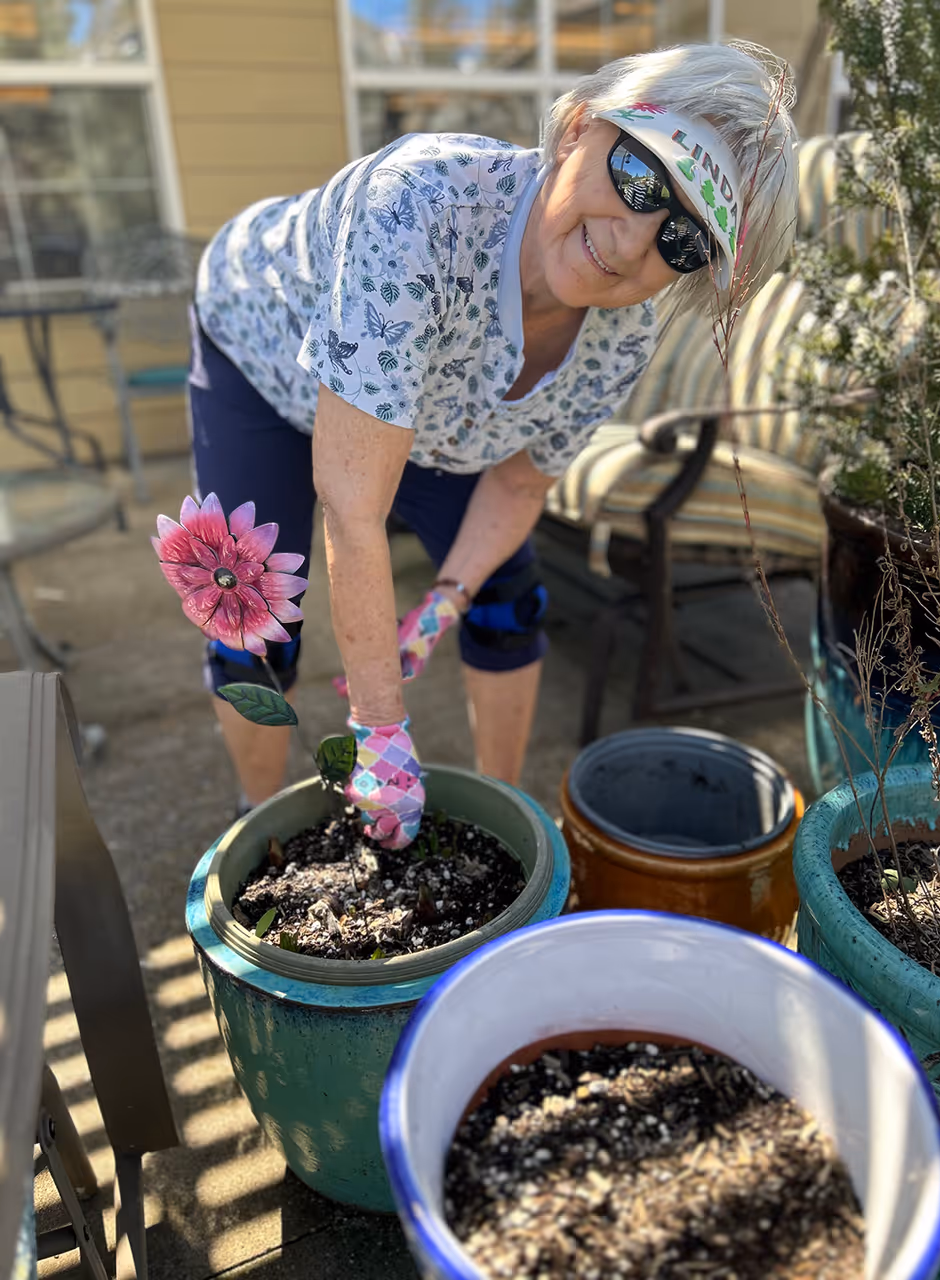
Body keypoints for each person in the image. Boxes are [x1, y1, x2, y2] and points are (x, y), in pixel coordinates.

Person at [188, 39, 799, 850]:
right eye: (640, 180)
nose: (631, 243)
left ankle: (507, 828)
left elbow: (518, 484)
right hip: (257, 348)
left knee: (506, 601)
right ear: (580, 127)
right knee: (255, 614)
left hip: (420, 406)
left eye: (683, 241)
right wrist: (380, 733)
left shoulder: (623, 336)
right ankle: (255, 822)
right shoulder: (420, 205)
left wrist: (439, 606)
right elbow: (352, 500)